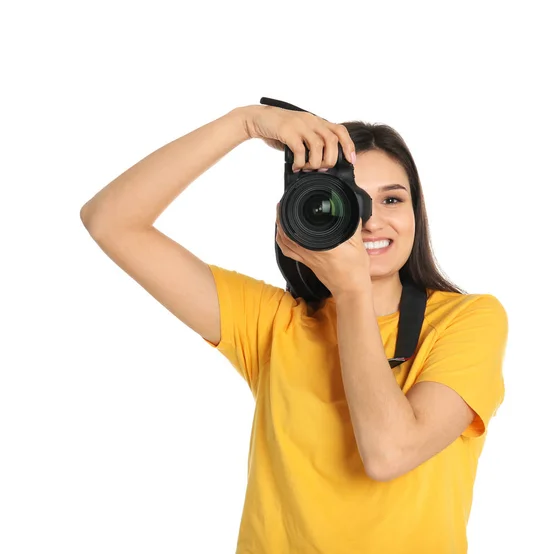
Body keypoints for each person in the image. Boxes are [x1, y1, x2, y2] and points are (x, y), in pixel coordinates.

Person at [80, 104, 508, 553]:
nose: (371, 220)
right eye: (349, 200)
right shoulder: (273, 323)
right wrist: (245, 122)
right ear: (305, 214)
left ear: (416, 214)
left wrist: (351, 292)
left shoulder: (468, 320)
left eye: (392, 199)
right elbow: (109, 220)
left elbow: (389, 453)